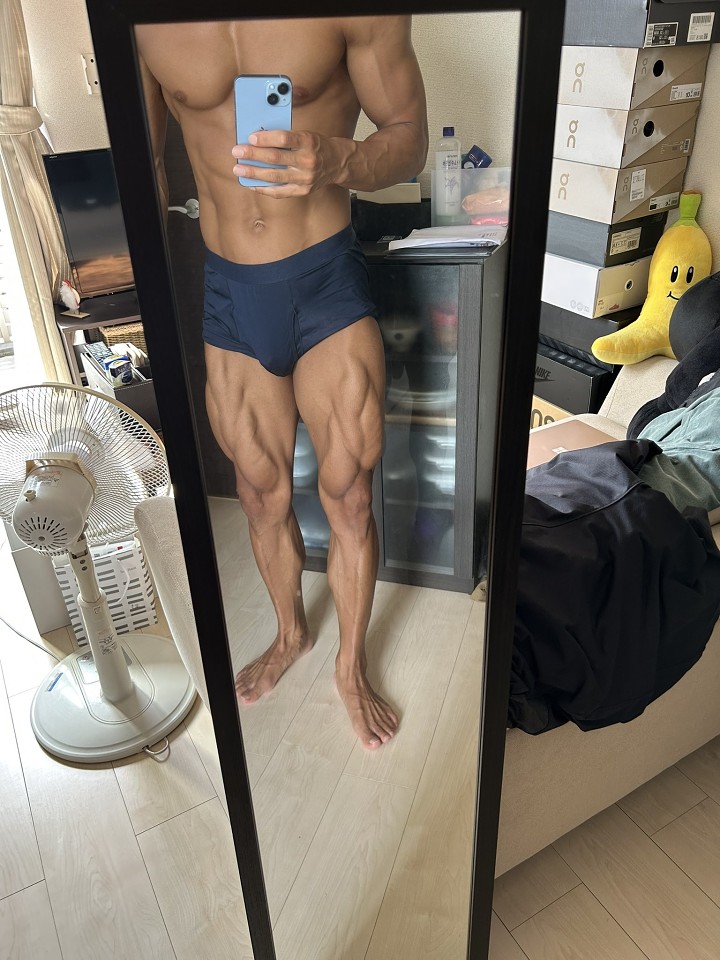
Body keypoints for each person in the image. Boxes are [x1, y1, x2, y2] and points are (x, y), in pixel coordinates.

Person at [136, 17, 428, 748]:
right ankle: (290, 632)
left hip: (325, 278)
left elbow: (409, 137)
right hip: (229, 291)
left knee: (350, 494)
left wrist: (339, 159)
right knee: (259, 492)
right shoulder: (138, 19)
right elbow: (144, 164)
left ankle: (350, 668)